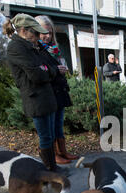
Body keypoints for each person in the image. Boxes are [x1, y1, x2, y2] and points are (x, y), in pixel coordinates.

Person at [2, 14, 68, 174]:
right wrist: (49, 71)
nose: (39, 37)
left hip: (47, 97)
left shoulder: (31, 47)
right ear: (24, 30)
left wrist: (46, 70)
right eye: (35, 33)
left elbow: (43, 68)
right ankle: (49, 170)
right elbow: (36, 74)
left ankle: (52, 166)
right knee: (45, 137)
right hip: (36, 99)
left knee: (50, 135)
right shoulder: (16, 48)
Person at [35, 15, 79, 165]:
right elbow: (41, 70)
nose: (47, 36)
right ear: (37, 32)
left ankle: (63, 151)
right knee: (51, 126)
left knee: (59, 123)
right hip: (50, 92)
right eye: (44, 33)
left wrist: (62, 69)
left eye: (50, 33)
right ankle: (54, 154)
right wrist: (55, 69)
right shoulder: (37, 50)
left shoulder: (55, 49)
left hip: (60, 91)